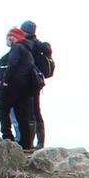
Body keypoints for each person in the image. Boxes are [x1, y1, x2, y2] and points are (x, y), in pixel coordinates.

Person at [0, 27, 42, 150]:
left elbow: (13, 64)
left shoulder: (17, 47)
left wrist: (5, 81)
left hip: (14, 85)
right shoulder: (27, 50)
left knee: (2, 109)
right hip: (26, 89)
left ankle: (8, 137)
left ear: (14, 37)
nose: (7, 40)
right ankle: (25, 144)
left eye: (9, 37)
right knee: (22, 116)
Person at [20, 20, 54, 149]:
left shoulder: (27, 44)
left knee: (30, 112)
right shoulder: (40, 45)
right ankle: (39, 143)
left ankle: (30, 143)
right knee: (36, 110)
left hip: (29, 82)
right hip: (37, 82)